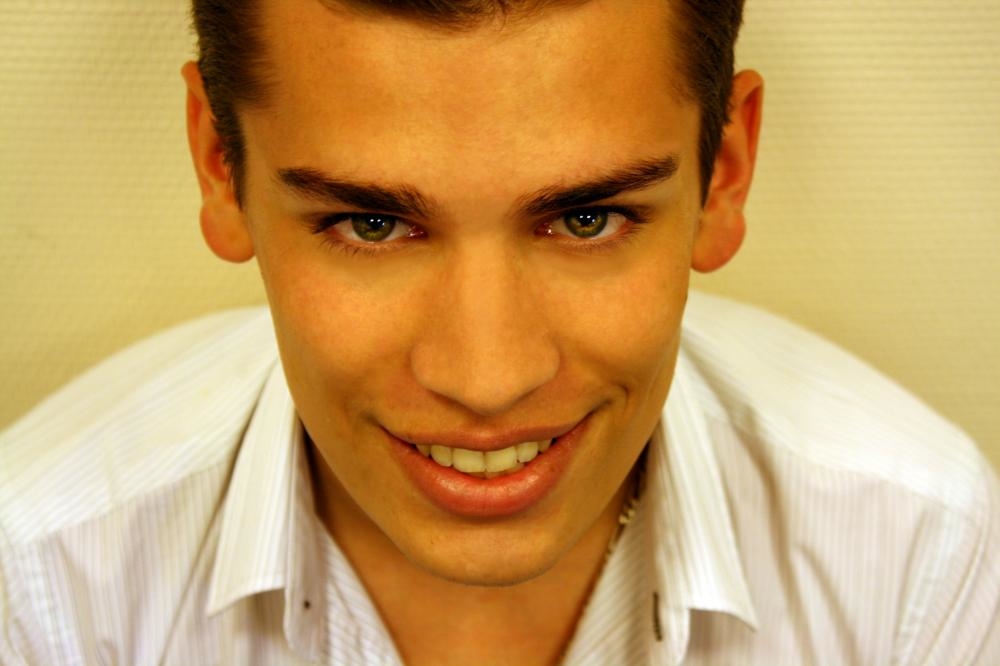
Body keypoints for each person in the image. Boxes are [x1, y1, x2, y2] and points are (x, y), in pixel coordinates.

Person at [1, 0, 997, 663]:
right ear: (221, 168)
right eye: (370, 224)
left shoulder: (920, 555)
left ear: (724, 170)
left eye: (586, 219)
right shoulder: (40, 584)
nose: (487, 378)